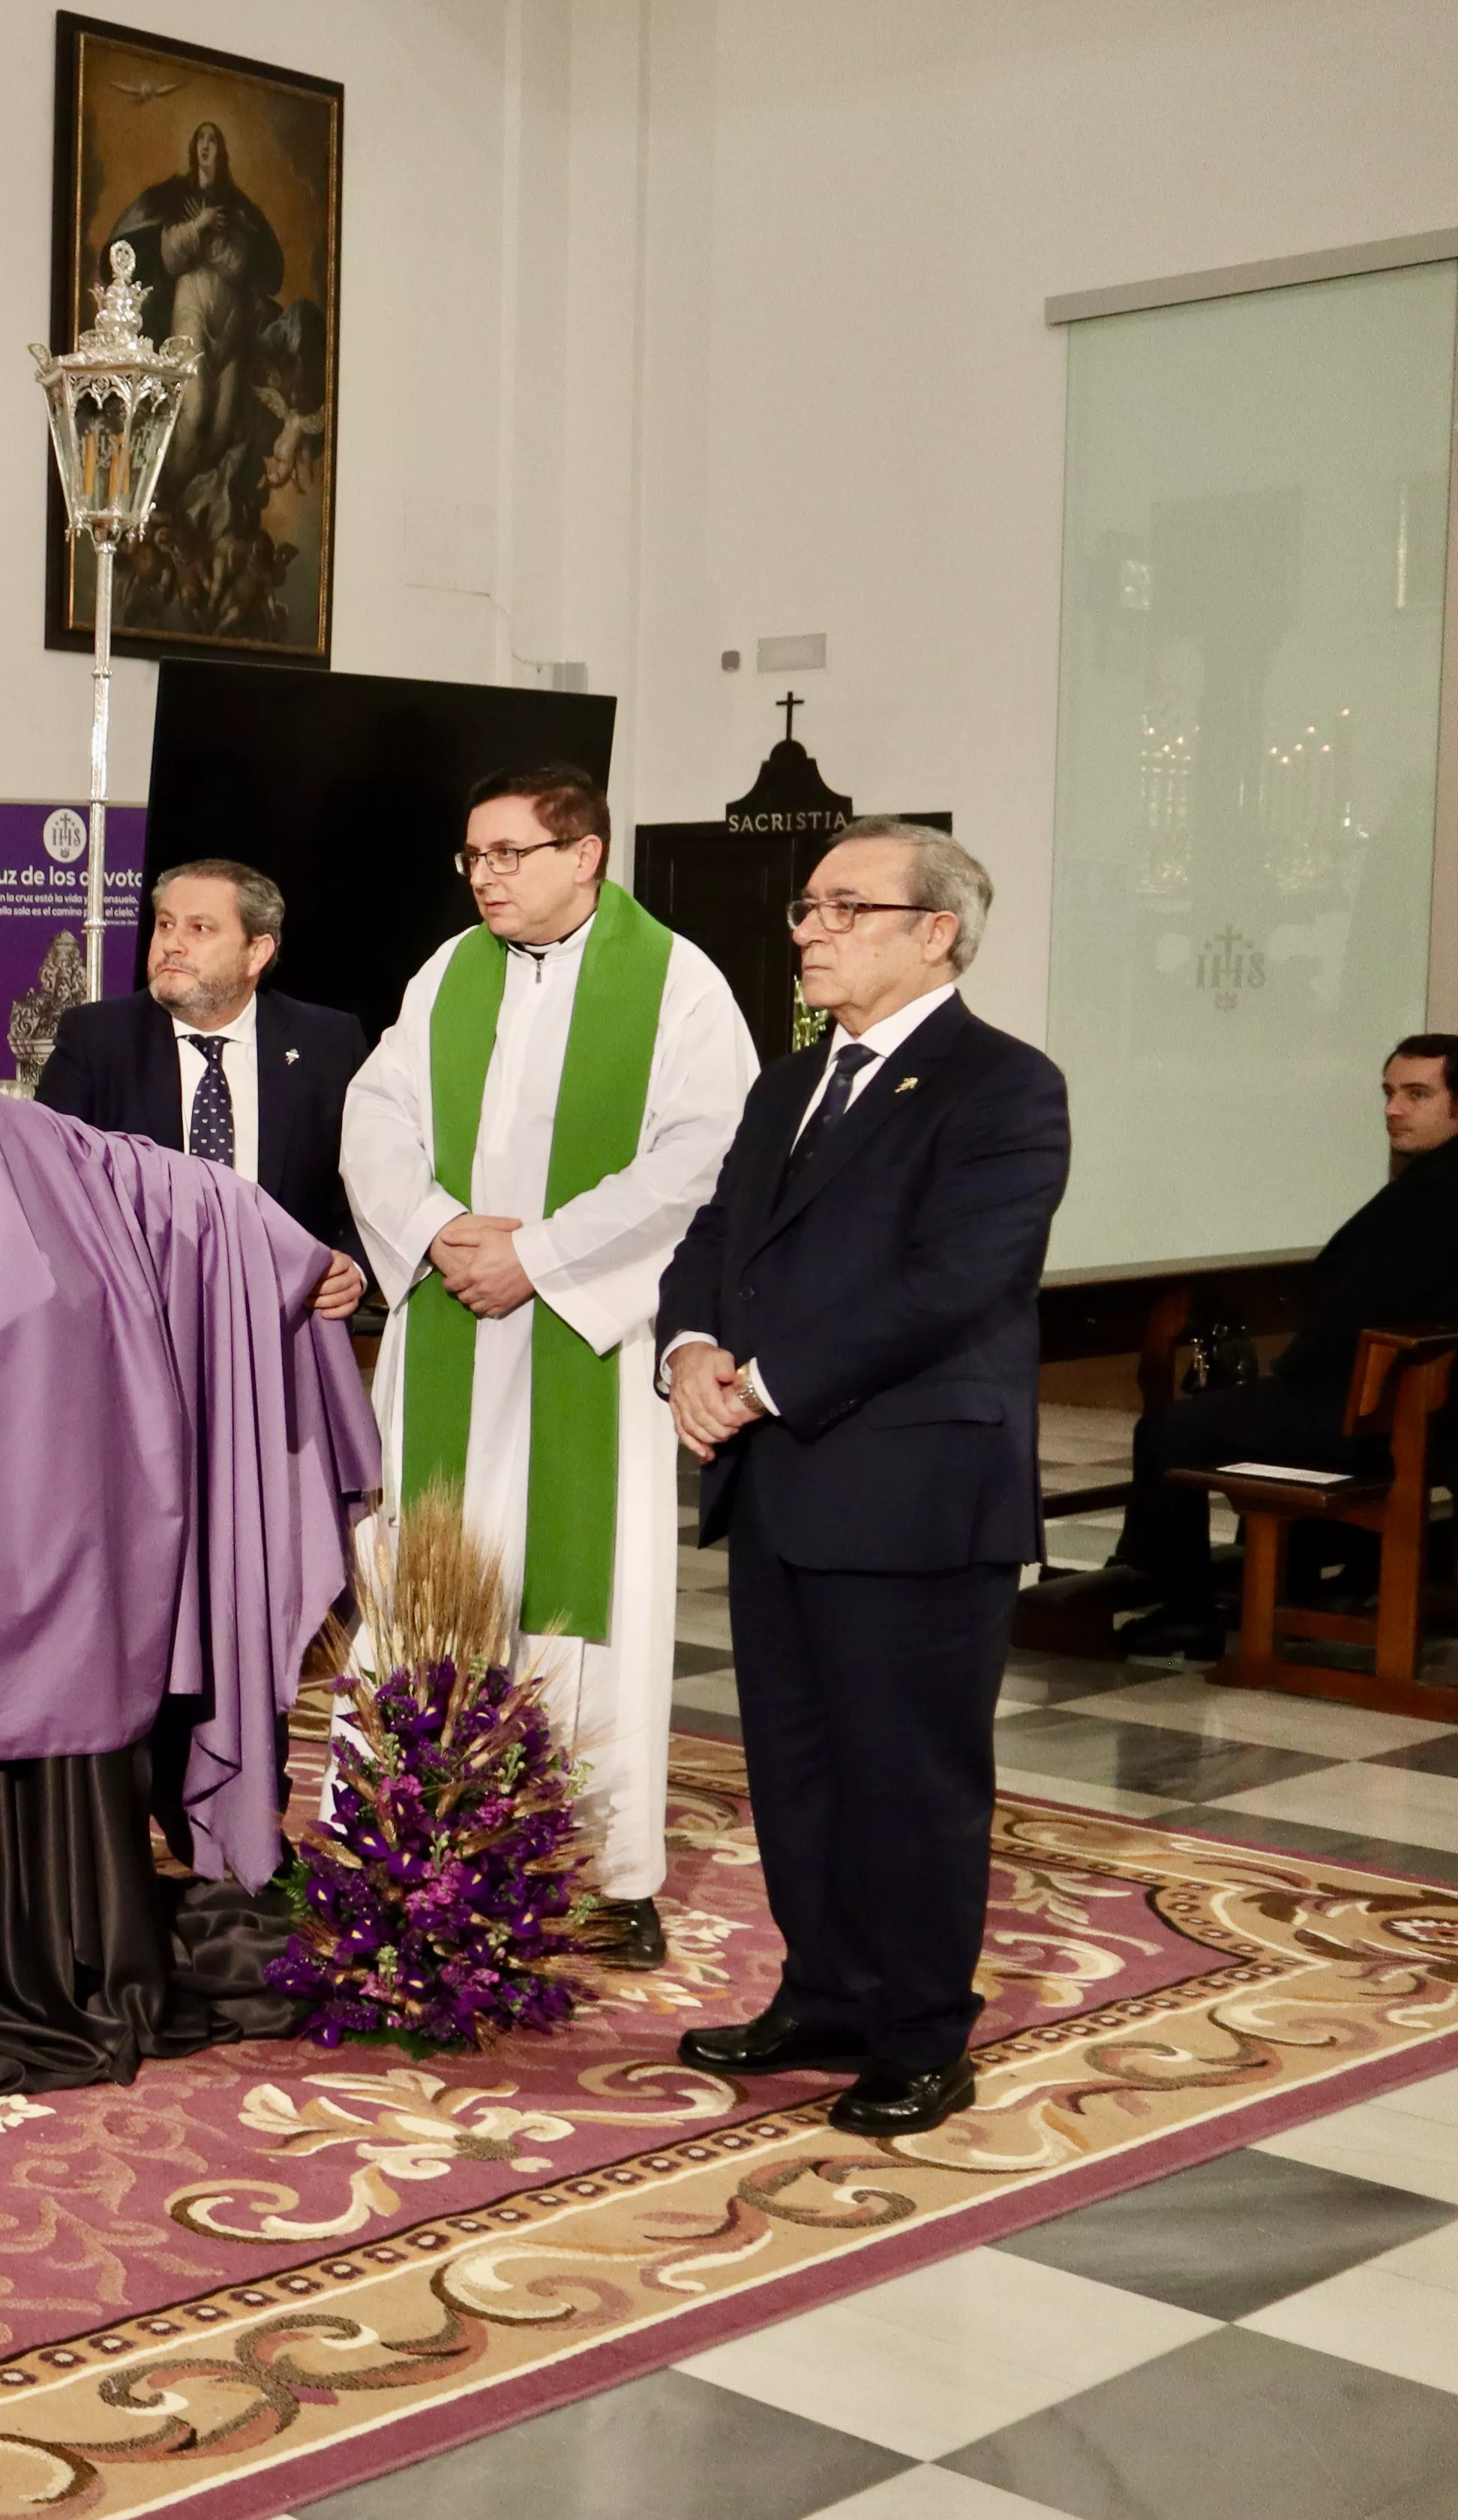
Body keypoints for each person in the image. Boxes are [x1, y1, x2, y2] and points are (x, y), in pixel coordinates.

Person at [660, 821, 1067, 2138]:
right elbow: (718, 1234)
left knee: (909, 1776)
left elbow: (952, 1283)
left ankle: (920, 2035)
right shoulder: (792, 1081)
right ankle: (825, 1993)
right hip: (783, 1484)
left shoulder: (1002, 1086)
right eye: (807, 908)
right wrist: (691, 1349)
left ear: (933, 930)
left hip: (910, 1492)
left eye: (846, 907)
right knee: (795, 1766)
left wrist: (764, 1380)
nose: (811, 929)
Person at [340, 761, 754, 1964]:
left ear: (587, 855)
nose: (485, 877)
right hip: (450, 1320)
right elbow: (378, 1113)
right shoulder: (447, 972)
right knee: (427, 1567)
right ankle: (405, 1838)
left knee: (583, 1595)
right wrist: (430, 1232)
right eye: (473, 855)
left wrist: (547, 1258)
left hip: (586, 1334)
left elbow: (700, 1153)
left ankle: (605, 1872)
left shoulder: (674, 981)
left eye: (509, 853)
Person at [1078, 1038, 1458, 1657]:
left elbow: (1356, 1310)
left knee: (1170, 1431)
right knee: (1227, 1412)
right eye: (1390, 1093)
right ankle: (1291, 1576)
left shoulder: (1435, 1195)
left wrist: (1289, 1374)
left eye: (1418, 1095)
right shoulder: (1434, 1182)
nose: (1395, 1109)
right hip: (1418, 1414)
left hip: (1371, 1416)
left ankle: (1182, 1606)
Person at [35, 855, 371, 1311]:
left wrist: (352, 1264)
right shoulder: (96, 1040)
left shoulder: (329, 1044)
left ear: (258, 952)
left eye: (200, 929)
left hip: (286, 1316)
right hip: (140, 1319)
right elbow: (47, 1182)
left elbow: (367, 1185)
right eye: (166, 925)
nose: (172, 944)